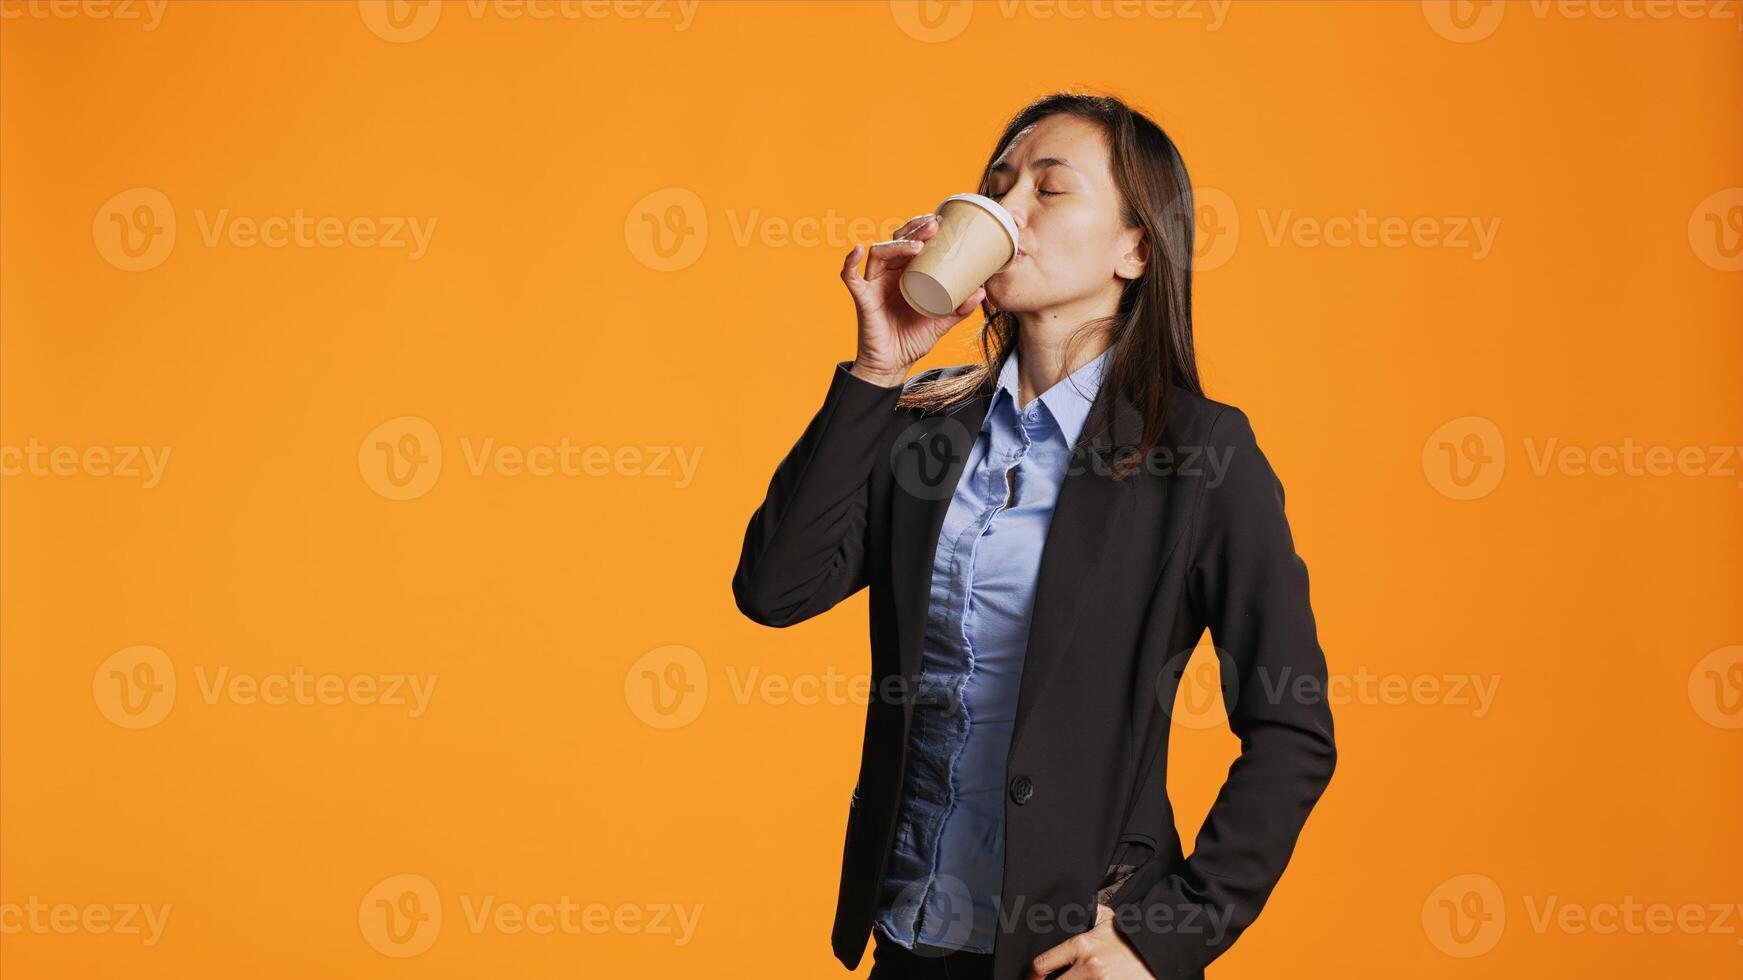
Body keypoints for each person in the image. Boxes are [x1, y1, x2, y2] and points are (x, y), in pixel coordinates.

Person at [732, 91, 1337, 980]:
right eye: (997, 183)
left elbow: (1291, 726)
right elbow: (773, 590)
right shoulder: (920, 428)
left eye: (1048, 191)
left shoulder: (1199, 455)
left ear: (1136, 247)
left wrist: (1164, 934)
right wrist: (876, 367)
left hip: (1074, 952)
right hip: (911, 932)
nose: (1006, 210)